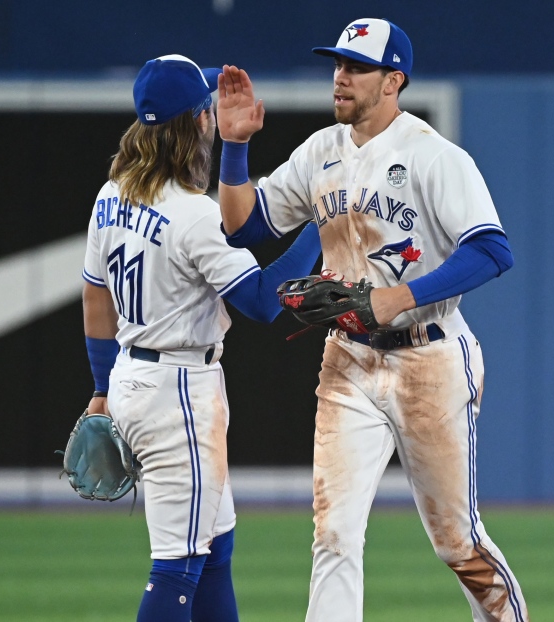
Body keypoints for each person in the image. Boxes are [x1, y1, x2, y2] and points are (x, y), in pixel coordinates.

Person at [215, 19, 529, 622]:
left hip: (430, 356)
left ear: (393, 81)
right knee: (332, 535)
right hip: (349, 359)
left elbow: (492, 250)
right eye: (337, 65)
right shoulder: (320, 151)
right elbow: (245, 227)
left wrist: (397, 297)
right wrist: (233, 148)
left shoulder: (434, 156)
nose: (340, 77)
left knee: (456, 543)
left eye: (356, 67)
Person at [81, 54, 320, 622]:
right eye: (207, 106)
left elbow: (96, 299)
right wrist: (319, 229)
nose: (215, 113)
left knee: (214, 549)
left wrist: (99, 388)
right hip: (179, 391)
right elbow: (263, 302)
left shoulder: (110, 195)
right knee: (177, 565)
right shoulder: (192, 215)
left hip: (131, 379)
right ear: (198, 123)